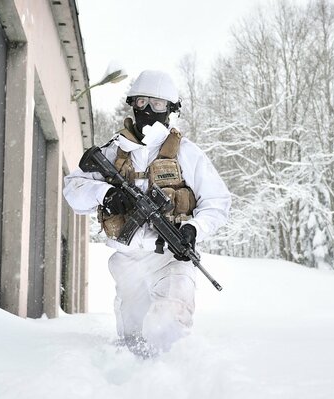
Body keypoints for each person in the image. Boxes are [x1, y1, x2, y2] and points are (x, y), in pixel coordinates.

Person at [63, 70, 231, 357]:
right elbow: (73, 189)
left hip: (171, 260)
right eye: (142, 102)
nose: (149, 111)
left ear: (171, 111)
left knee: (170, 328)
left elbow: (217, 202)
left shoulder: (187, 154)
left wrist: (194, 230)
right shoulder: (112, 151)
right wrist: (105, 194)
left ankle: (173, 383)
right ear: (132, 105)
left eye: (158, 104)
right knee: (134, 342)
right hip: (128, 262)